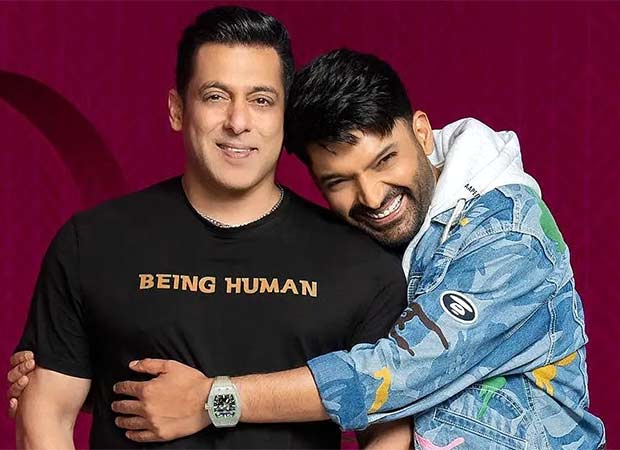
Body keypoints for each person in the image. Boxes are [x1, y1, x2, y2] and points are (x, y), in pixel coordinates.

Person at [9, 25, 606, 450]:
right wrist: (92, 372)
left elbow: (393, 375)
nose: (372, 196)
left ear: (423, 132)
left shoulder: (506, 241)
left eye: (385, 160)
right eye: (339, 181)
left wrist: (214, 400)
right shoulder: (389, 240)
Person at [9, 8, 412, 449]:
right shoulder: (92, 243)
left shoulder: (361, 265)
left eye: (261, 100)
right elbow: (45, 413)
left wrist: (212, 401)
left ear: (285, 117)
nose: (238, 122)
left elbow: (389, 428)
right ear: (177, 109)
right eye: (216, 96)